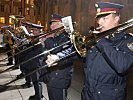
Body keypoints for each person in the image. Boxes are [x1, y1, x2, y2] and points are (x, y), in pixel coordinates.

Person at [81, 2, 133, 100]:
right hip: (88, 94)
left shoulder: (127, 40)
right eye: (99, 19)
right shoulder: (96, 39)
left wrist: (102, 40)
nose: (99, 22)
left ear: (117, 18)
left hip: (108, 96)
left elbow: (122, 66)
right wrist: (58, 57)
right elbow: (80, 54)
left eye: (105, 18)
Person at [45, 14, 79, 100]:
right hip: (52, 75)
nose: (51, 26)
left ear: (62, 25)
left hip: (61, 76)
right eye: (51, 24)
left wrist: (48, 40)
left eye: (54, 23)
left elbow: (58, 53)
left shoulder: (68, 37)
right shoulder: (56, 37)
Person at [18, 24, 44, 100]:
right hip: (31, 62)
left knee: (37, 81)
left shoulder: (40, 39)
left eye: (35, 30)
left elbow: (34, 51)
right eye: (33, 30)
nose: (33, 31)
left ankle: (38, 97)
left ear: (39, 31)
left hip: (36, 63)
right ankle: (37, 94)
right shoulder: (34, 38)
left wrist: (27, 46)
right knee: (35, 81)